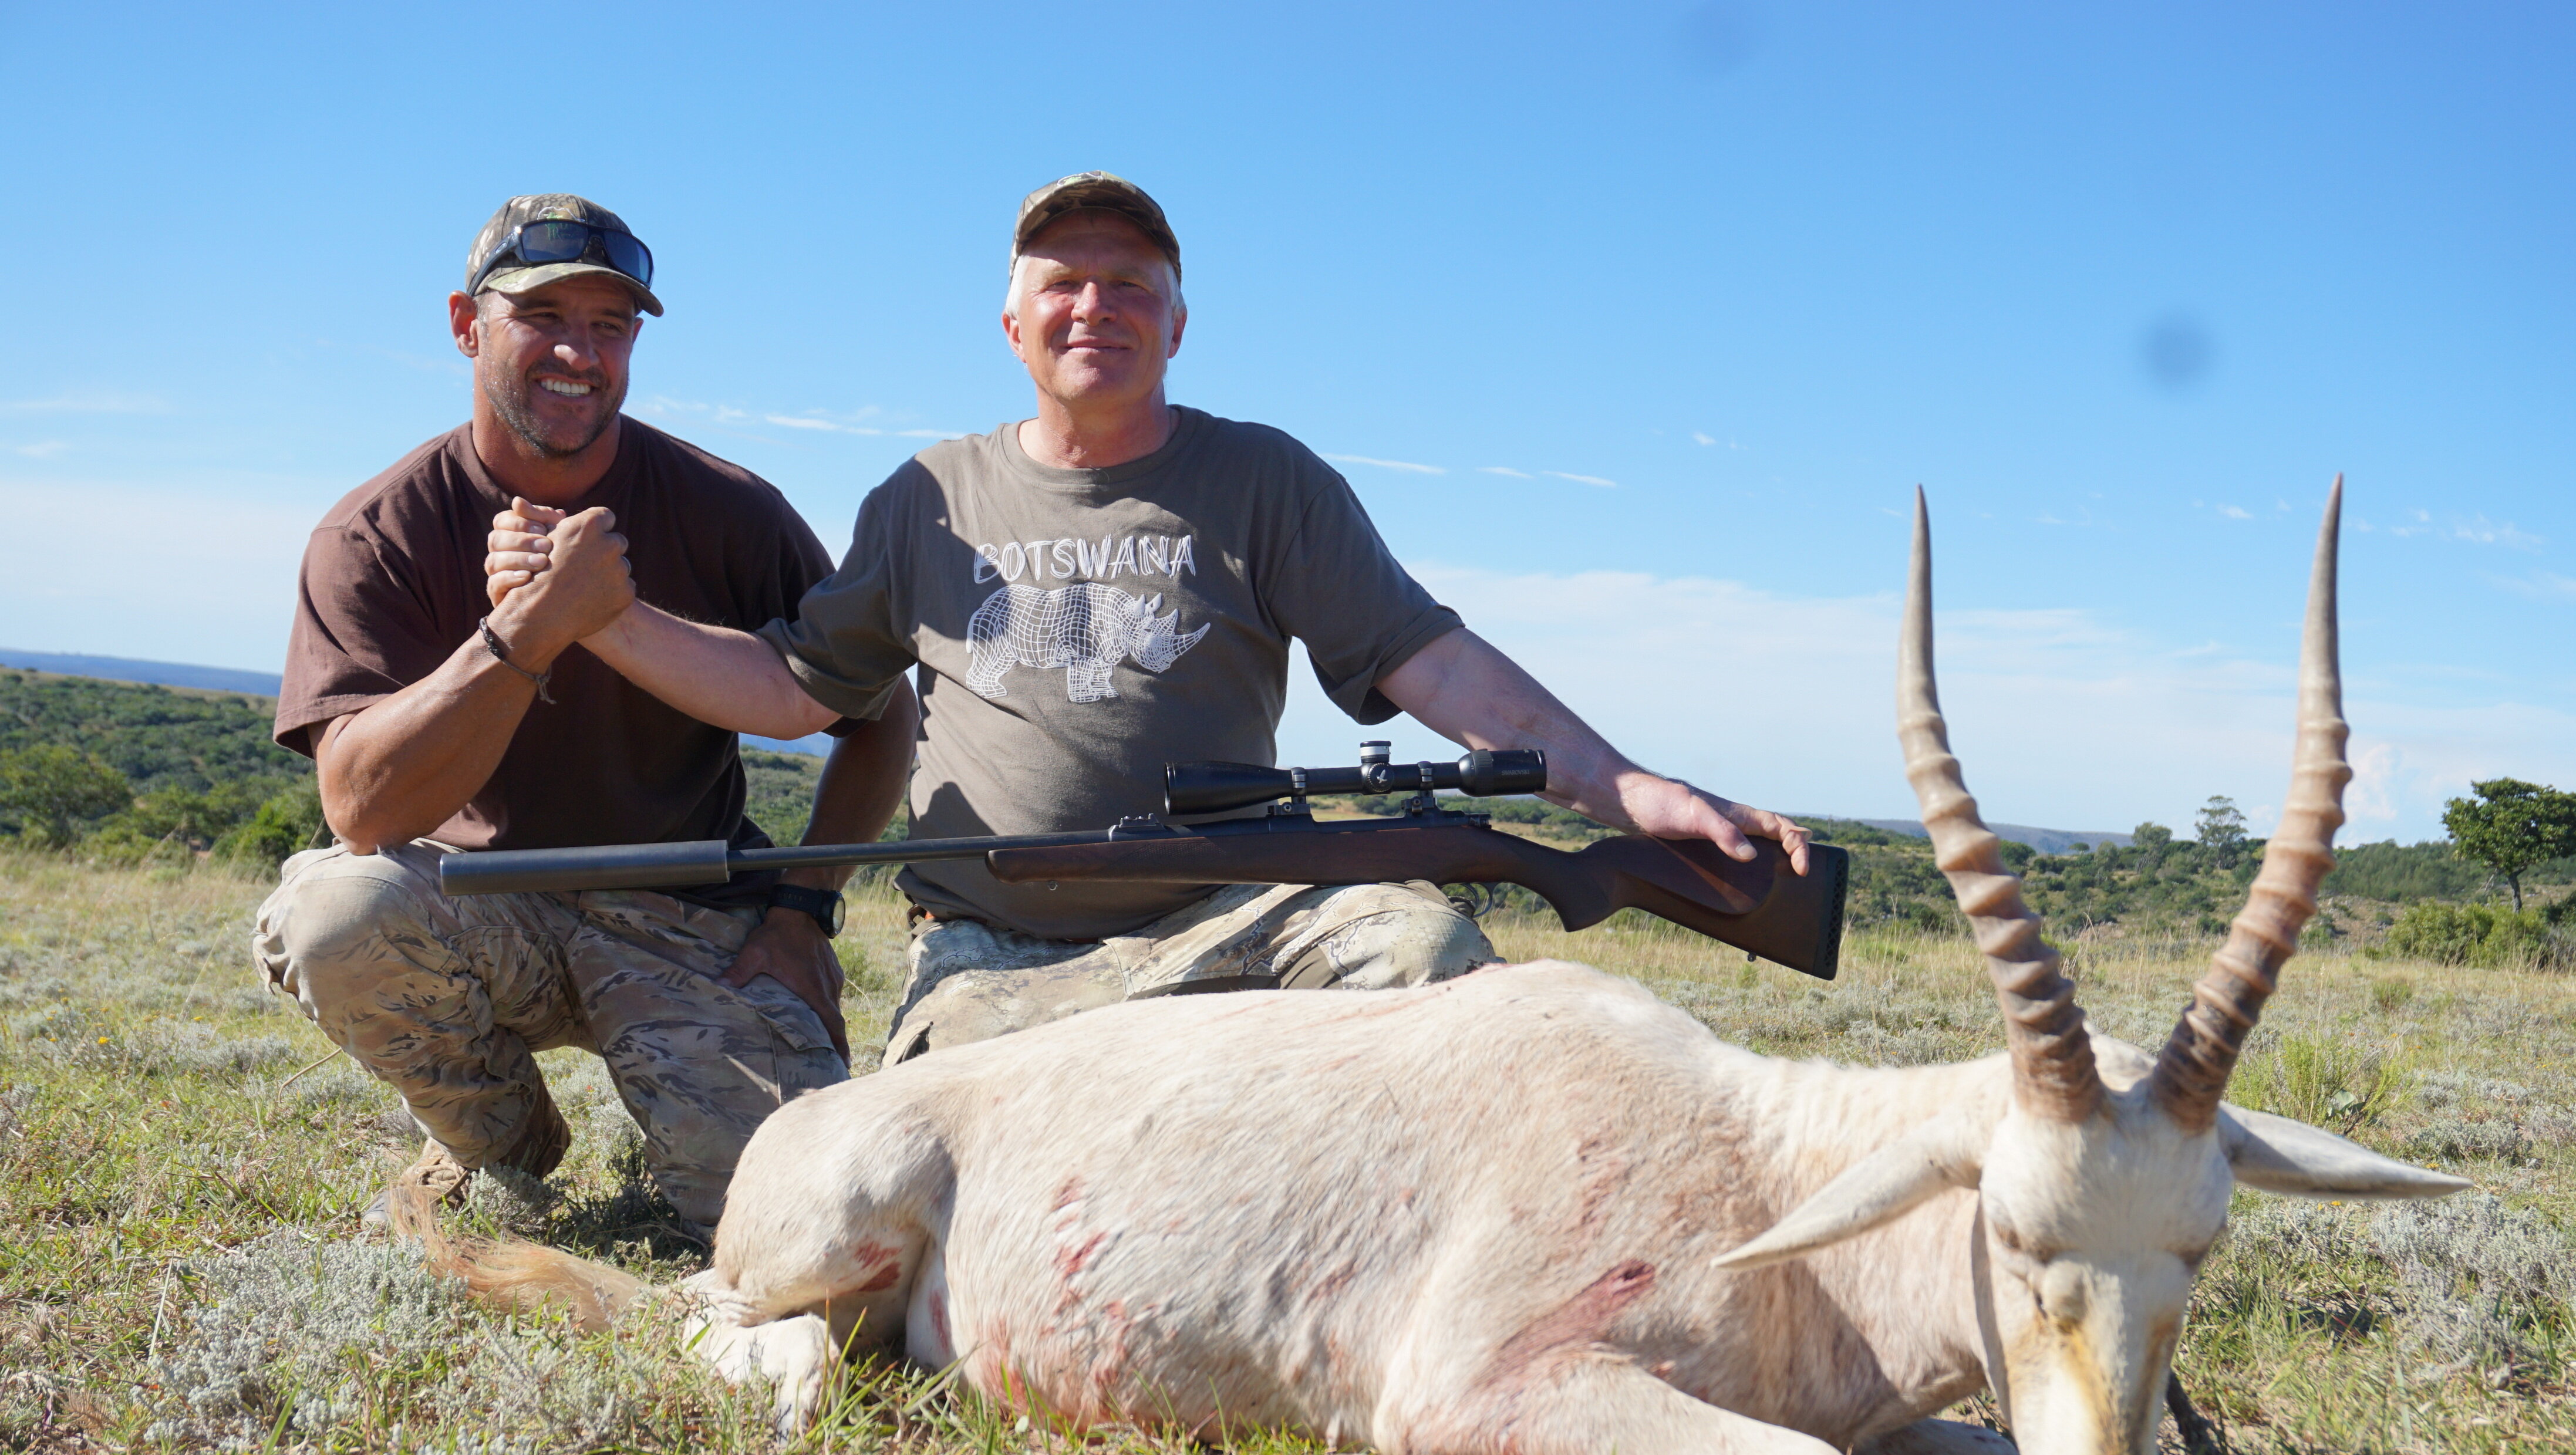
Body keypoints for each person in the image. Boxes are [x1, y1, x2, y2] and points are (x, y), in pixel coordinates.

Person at [483, 173, 1808, 1062]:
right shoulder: (923, 498)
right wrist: (596, 620)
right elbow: (792, 693)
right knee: (956, 1162)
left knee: (1438, 966)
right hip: (996, 946)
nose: (1095, 306)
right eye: (1063, 281)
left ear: (1180, 325)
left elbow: (1440, 667)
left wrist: (1632, 795)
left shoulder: (1265, 480)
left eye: (1131, 284)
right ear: (1011, 322)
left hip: (1251, 908)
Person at [253, 194, 918, 1237]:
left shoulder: (732, 510)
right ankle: (500, 1144)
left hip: (688, 909)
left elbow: (881, 717)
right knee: (334, 916)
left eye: (611, 326)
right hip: (476, 901)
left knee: (791, 1219)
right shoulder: (373, 534)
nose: (580, 350)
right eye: (543, 316)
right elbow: (359, 810)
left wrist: (804, 908)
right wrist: (522, 635)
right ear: (468, 326)